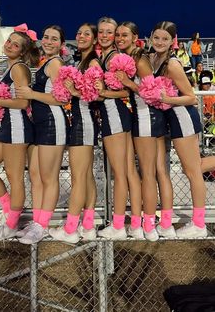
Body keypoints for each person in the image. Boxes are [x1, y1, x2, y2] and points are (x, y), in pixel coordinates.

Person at [150, 21, 214, 238]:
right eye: (157, 37)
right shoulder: (155, 59)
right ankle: (198, 223)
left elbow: (191, 98)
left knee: (192, 171)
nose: (160, 42)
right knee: (194, 167)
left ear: (172, 42)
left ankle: (198, 224)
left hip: (183, 117)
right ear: (151, 37)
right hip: (173, 119)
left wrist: (166, 99)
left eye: (165, 39)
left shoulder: (173, 64)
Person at [114, 21, 174, 241]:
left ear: (135, 36)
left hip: (147, 117)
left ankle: (149, 226)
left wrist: (129, 84)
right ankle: (165, 223)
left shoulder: (139, 58)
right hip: (150, 117)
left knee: (148, 174)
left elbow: (152, 91)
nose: (120, 38)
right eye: (118, 35)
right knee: (158, 171)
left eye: (125, 35)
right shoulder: (136, 57)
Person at [0, 25, 40, 242]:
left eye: (16, 44)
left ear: (23, 51)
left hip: (18, 128)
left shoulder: (19, 68)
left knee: (15, 178)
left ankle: (11, 224)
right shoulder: (10, 67)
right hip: (6, 127)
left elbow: (24, 102)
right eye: (9, 41)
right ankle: (9, 214)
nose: (9, 45)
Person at [15, 25, 70, 244]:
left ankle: (43, 225)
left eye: (54, 39)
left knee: (48, 177)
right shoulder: (44, 63)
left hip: (51, 123)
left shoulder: (55, 63)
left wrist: (31, 94)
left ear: (61, 45)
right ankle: (37, 221)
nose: (48, 41)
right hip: (39, 124)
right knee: (36, 175)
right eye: (46, 37)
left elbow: (62, 98)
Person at [49, 23, 99, 243]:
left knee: (78, 177)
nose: (80, 36)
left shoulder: (93, 62)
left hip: (84, 122)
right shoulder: (82, 61)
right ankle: (87, 226)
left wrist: (72, 91)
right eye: (78, 32)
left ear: (95, 39)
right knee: (86, 177)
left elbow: (97, 95)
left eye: (87, 34)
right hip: (81, 120)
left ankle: (70, 229)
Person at [95, 17, 143, 241]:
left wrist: (103, 93)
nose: (104, 35)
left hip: (115, 114)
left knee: (120, 173)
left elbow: (126, 92)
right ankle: (135, 223)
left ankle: (118, 225)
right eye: (101, 32)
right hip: (118, 115)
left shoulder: (114, 57)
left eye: (109, 32)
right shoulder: (106, 56)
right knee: (128, 171)